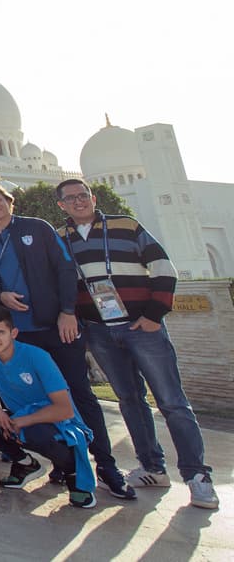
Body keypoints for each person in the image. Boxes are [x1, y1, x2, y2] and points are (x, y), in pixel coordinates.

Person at [55, 177, 218, 509]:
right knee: (130, 399)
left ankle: (197, 476)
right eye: (70, 199)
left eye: (82, 195)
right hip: (100, 330)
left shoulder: (125, 225)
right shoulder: (60, 238)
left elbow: (163, 268)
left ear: (93, 196)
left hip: (140, 326)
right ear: (61, 206)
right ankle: (152, 467)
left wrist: (154, 314)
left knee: (172, 401)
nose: (78, 202)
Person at [0, 183, 136, 500]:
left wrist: (67, 312)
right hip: (17, 335)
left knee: (78, 394)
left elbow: (65, 269)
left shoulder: (37, 228)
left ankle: (105, 466)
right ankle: (61, 464)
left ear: (10, 202)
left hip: (53, 327)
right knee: (22, 399)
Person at [0, 305, 98, 509]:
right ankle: (24, 463)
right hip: (18, 418)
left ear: (13, 333)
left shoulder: (36, 356)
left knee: (36, 433)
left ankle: (72, 471)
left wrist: (23, 421)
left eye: (0, 332)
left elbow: (64, 410)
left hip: (60, 424)